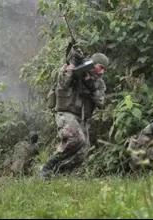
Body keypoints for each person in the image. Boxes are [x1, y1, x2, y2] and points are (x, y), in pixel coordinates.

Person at [39, 50, 109, 180]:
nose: (102, 72)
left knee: (82, 152)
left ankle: (55, 174)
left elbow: (101, 103)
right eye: (101, 68)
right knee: (76, 138)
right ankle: (47, 166)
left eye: (105, 70)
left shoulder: (99, 83)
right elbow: (63, 83)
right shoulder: (73, 69)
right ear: (93, 64)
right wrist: (72, 65)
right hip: (65, 113)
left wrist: (92, 88)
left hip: (81, 119)